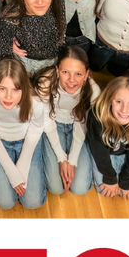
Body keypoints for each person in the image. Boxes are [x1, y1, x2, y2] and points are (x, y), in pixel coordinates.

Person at [0, 59, 51, 210]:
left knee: (33, 202)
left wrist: (23, 163)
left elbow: (36, 129)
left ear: (24, 87)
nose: (8, 97)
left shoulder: (35, 102)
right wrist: (11, 171)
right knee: (5, 203)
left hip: (27, 140)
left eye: (16, 90)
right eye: (2, 88)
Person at [34, 46, 99, 197]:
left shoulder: (93, 91)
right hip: (52, 125)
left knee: (80, 188)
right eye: (65, 72)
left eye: (78, 74)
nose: (71, 80)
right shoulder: (45, 84)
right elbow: (47, 121)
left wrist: (73, 159)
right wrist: (62, 158)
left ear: (86, 75)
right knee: (56, 188)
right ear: (57, 71)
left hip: (78, 127)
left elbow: (82, 123)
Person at [0, 0, 67, 75]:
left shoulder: (58, 0)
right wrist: (8, 44)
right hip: (23, 63)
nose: (40, 1)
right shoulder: (9, 18)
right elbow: (5, 56)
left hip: (54, 62)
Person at [87, 76, 129, 199]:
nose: (124, 110)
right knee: (104, 190)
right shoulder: (97, 116)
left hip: (125, 153)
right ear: (109, 99)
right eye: (118, 102)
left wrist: (126, 180)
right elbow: (99, 151)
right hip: (104, 153)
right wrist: (110, 178)